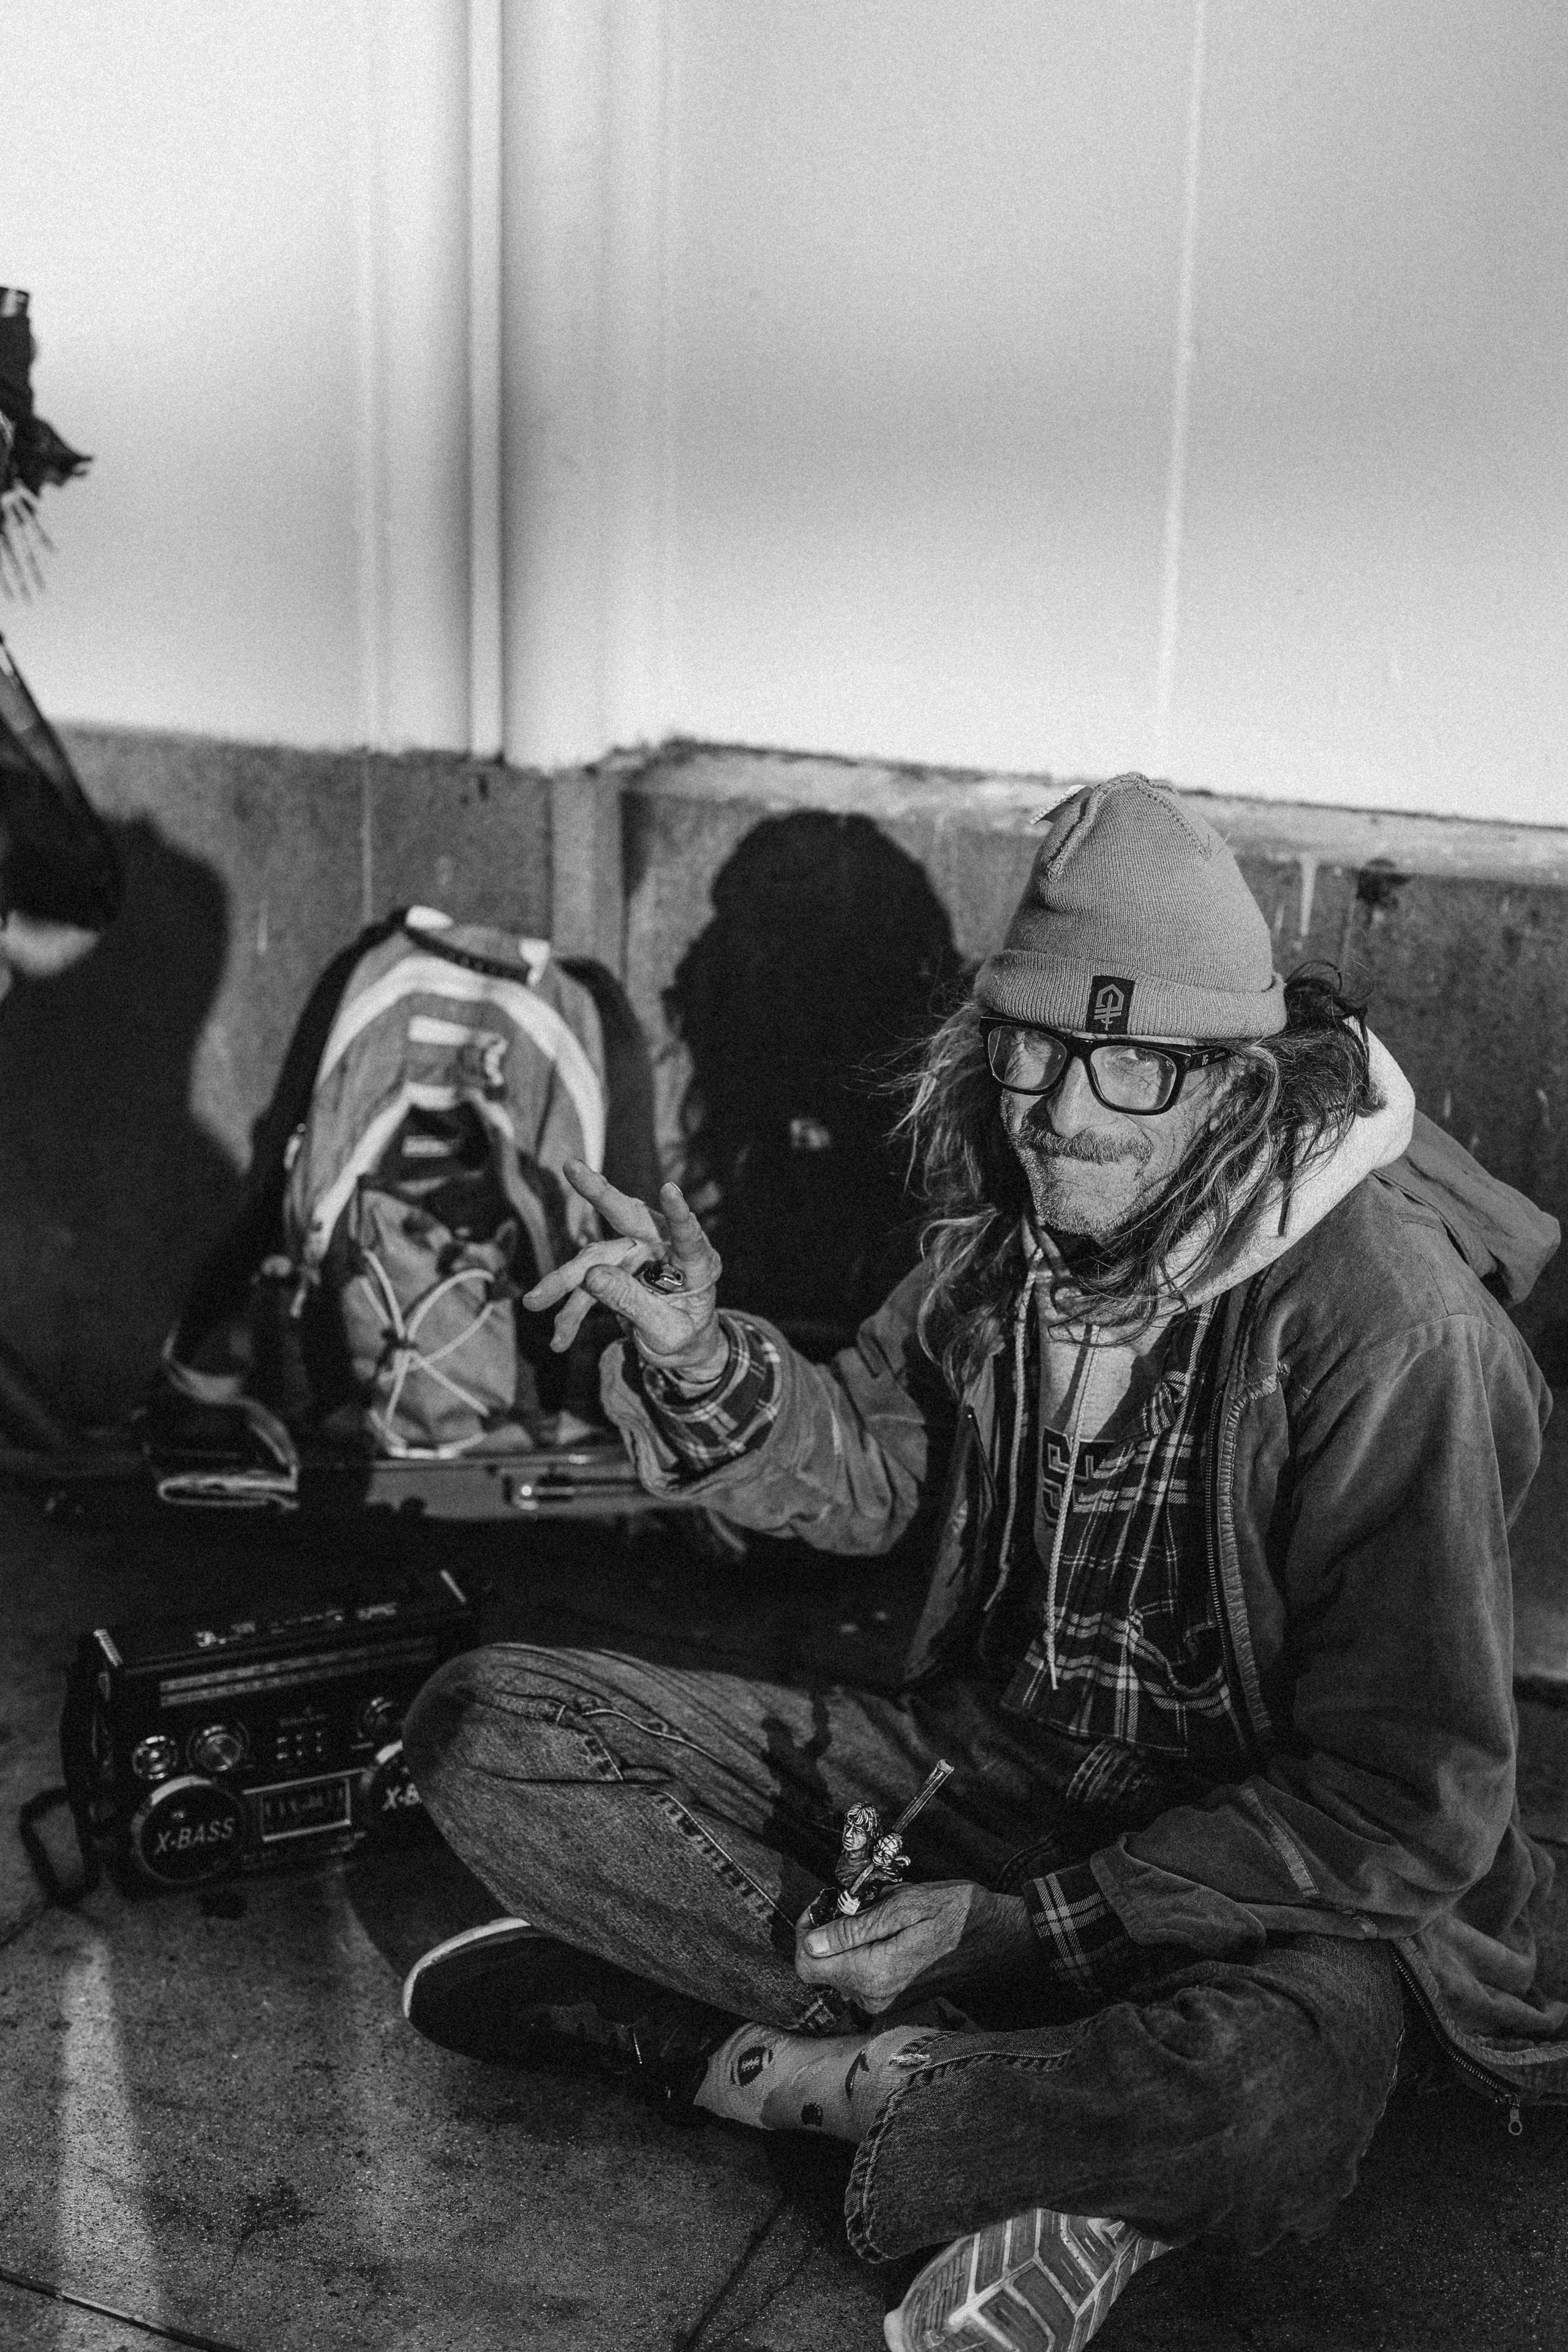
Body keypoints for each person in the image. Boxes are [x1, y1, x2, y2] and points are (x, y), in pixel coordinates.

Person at [401, 777, 1564, 2352]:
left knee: (1259, 2099)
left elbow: (1396, 1807)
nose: (1067, 1112)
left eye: (1139, 1064)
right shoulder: (1004, 1240)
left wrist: (1028, 1931)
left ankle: (749, 2060)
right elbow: (874, 1466)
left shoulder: (1386, 1329)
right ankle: (1029, 2134)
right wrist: (697, 1363)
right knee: (490, 1730)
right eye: (1033, 1050)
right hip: (987, 1770)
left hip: (1260, 1875)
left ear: (1238, 1080)